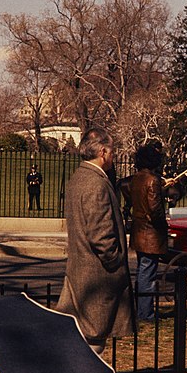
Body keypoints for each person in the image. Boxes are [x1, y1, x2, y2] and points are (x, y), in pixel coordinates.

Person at [55, 128, 135, 354]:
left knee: (82, 334)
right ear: (103, 151)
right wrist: (115, 260)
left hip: (81, 268)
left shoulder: (78, 178)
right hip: (98, 274)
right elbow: (100, 234)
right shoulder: (96, 183)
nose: (113, 156)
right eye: (112, 151)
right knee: (94, 338)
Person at [129, 143, 168, 321]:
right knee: (148, 274)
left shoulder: (137, 178)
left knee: (142, 271)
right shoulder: (153, 180)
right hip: (151, 233)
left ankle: (142, 310)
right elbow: (155, 209)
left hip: (138, 230)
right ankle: (146, 313)